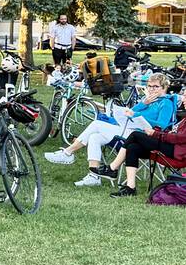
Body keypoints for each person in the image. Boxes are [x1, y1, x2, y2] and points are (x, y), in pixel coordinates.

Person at [46, 73, 178, 187]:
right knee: (94, 137)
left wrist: (138, 116)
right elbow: (131, 112)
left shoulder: (165, 103)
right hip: (127, 130)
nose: (152, 89)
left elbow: (162, 125)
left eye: (156, 86)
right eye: (149, 86)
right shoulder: (147, 100)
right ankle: (94, 176)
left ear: (164, 88)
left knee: (97, 124)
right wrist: (143, 104)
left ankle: (68, 153)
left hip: (142, 137)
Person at [104, 107, 186, 197]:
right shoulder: (184, 118)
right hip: (170, 147)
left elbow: (181, 138)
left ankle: (112, 168)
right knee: (133, 148)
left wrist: (156, 134)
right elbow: (173, 134)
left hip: (176, 153)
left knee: (135, 135)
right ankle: (130, 188)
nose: (184, 100)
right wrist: (158, 132)